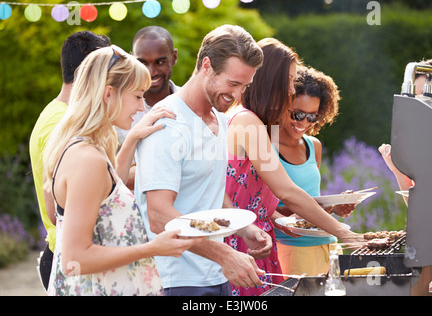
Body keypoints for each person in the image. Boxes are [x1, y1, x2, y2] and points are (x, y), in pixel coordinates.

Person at [43, 45, 203, 296]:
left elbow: (105, 194)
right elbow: (75, 260)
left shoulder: (79, 147)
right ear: (109, 94)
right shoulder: (87, 160)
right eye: (138, 96)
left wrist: (131, 140)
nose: (142, 108)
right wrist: (153, 248)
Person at [135, 24, 272, 296]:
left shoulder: (219, 120)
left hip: (213, 275)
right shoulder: (167, 124)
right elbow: (159, 216)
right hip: (175, 280)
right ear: (206, 65)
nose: (237, 95)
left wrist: (244, 228)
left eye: (244, 86)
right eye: (233, 84)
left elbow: (209, 191)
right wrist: (223, 254)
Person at [224, 38, 363, 296]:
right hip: (243, 244)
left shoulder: (255, 123)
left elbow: (252, 197)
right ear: (270, 80)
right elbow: (286, 191)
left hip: (255, 240)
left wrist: (278, 218)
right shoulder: (246, 121)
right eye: (289, 80)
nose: (291, 88)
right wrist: (344, 232)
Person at [29, 31, 111, 290]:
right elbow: (58, 209)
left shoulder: (62, 114)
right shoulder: (62, 123)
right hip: (66, 258)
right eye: (105, 71)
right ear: (89, 72)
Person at [273, 66, 355, 277]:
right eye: (297, 114)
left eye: (312, 117)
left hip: (328, 244)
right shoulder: (266, 145)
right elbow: (261, 204)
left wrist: (333, 207)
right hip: (292, 249)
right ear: (283, 104)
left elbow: (310, 200)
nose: (303, 123)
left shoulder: (313, 146)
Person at [379, 57, 432, 296]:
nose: (423, 109)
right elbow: (424, 211)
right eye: (418, 99)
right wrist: (399, 170)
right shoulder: (431, 144)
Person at [115, 26, 179, 189]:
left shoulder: (191, 104)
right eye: (142, 63)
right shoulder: (116, 111)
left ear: (174, 57)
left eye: (160, 62)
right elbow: (108, 177)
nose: (151, 72)